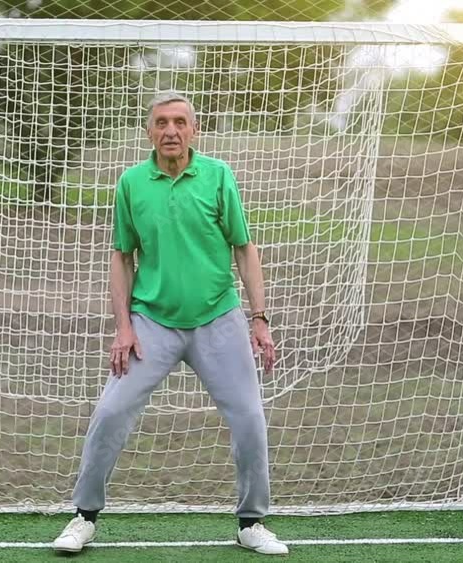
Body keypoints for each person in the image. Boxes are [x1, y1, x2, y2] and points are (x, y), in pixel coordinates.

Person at [52, 92, 288, 556]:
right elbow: (122, 257)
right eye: (161, 122)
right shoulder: (132, 183)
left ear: (193, 130)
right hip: (151, 322)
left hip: (218, 317)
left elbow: (244, 248)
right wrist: (124, 327)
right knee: (111, 411)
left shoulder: (218, 176)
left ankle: (251, 523)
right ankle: (84, 517)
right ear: (149, 131)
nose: (171, 131)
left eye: (180, 122)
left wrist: (259, 318)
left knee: (249, 417)